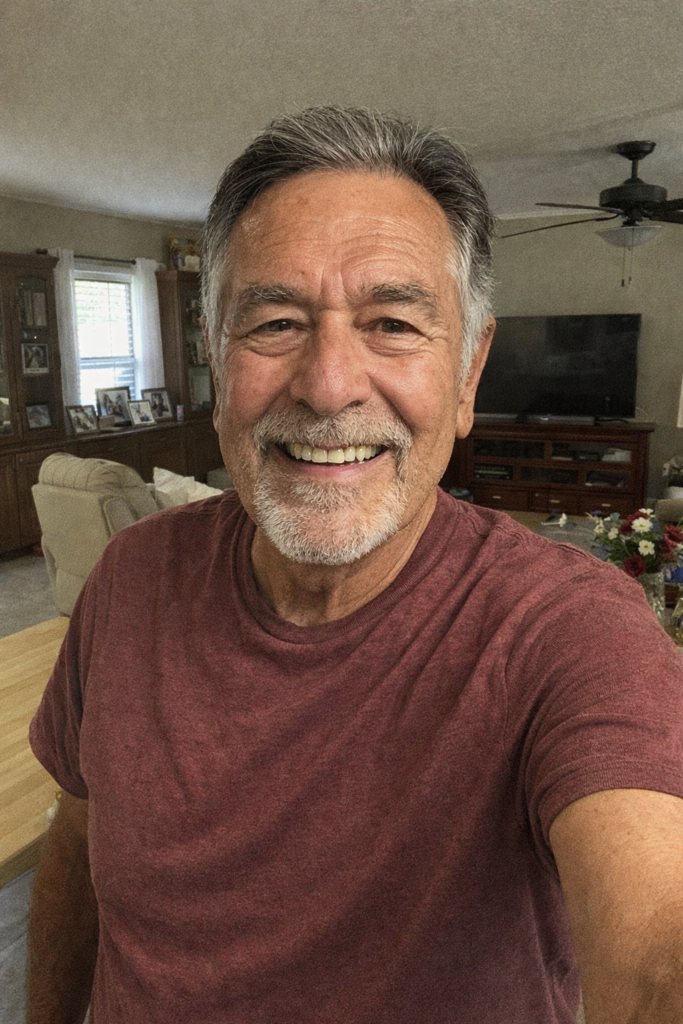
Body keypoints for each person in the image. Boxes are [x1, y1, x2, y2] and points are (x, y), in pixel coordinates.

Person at [28, 107, 683, 1024]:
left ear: (468, 375)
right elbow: (79, 840)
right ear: (216, 359)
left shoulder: (573, 633)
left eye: (392, 323)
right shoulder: (132, 576)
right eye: (276, 323)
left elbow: (655, 955)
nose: (329, 385)